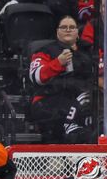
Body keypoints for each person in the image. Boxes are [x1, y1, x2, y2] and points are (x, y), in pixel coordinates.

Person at [28, 15, 94, 143]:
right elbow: (36, 76)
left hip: (83, 98)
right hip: (49, 100)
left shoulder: (89, 51)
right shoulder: (45, 51)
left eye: (72, 27)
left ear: (77, 32)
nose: (68, 30)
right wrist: (58, 63)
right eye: (64, 27)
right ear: (57, 31)